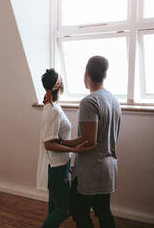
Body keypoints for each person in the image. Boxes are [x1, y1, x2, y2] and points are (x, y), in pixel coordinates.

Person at [61, 56, 121, 228]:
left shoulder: (89, 101)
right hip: (107, 169)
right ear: (105, 75)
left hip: (91, 172)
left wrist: (62, 144)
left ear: (86, 74)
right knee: (103, 213)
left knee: (79, 214)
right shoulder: (113, 100)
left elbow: (89, 141)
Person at [39, 68, 95, 228]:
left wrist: (68, 158)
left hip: (59, 166)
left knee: (54, 209)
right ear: (59, 86)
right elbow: (48, 144)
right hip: (57, 169)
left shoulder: (52, 106)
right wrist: (75, 150)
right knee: (63, 211)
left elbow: (57, 140)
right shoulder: (53, 110)